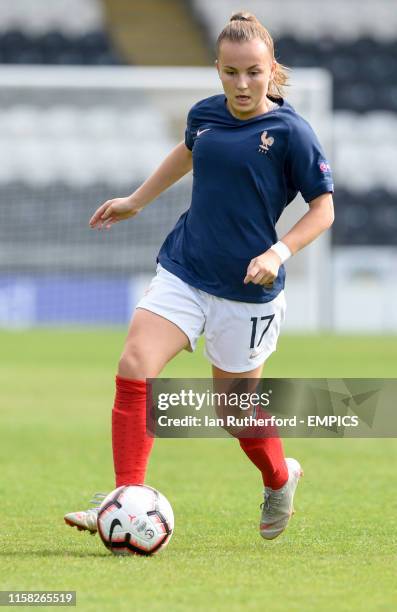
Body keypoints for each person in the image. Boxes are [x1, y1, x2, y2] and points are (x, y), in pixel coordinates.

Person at [64, 11, 334, 541]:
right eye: (231, 72)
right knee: (135, 364)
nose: (242, 83)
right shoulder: (205, 114)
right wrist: (136, 201)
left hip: (247, 293)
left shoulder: (291, 132)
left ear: (271, 69)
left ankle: (281, 478)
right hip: (186, 269)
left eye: (253, 72)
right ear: (217, 69)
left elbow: (323, 209)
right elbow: (188, 152)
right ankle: (126, 498)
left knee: (235, 413)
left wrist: (278, 253)